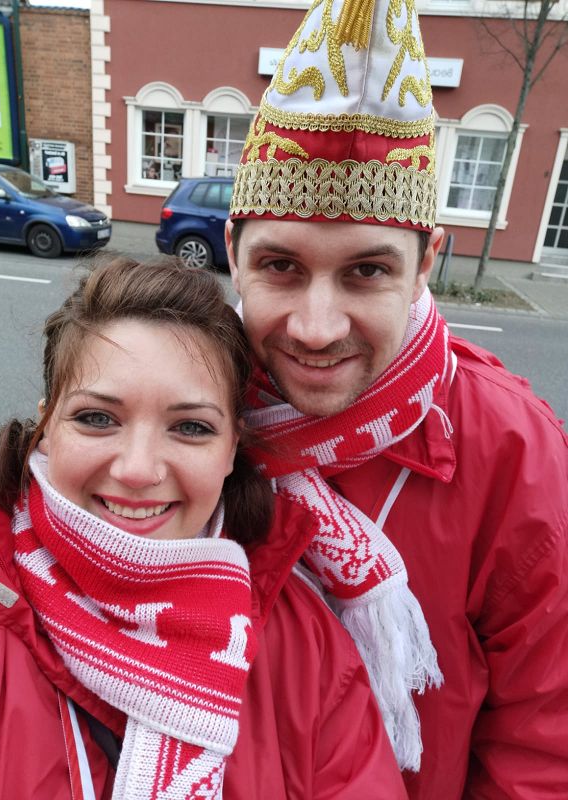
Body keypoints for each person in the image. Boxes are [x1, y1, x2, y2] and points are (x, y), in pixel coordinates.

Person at [225, 0, 568, 797]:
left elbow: (544, 744)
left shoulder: (513, 451)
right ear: (232, 251)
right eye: (280, 266)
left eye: (367, 271)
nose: (315, 328)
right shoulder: (178, 408)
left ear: (425, 265)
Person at [0, 255, 407, 799]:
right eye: (97, 418)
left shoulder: (306, 645)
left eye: (191, 428)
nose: (138, 470)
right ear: (47, 424)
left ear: (232, 449)